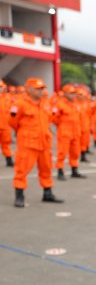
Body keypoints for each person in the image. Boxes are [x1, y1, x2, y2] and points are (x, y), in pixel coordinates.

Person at [9, 77, 64, 207]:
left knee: (46, 169)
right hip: (28, 143)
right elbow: (13, 122)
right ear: (28, 89)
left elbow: (49, 119)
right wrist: (23, 132)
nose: (41, 91)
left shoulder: (45, 103)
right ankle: (19, 196)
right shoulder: (19, 104)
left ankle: (48, 193)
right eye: (38, 89)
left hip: (44, 143)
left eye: (42, 88)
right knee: (22, 170)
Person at [52, 84, 86, 180]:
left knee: (75, 153)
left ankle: (74, 171)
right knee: (62, 153)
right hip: (65, 133)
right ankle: (60, 171)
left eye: (74, 93)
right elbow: (54, 118)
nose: (73, 95)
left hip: (75, 132)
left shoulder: (76, 104)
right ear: (65, 93)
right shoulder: (59, 104)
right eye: (71, 93)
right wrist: (62, 126)